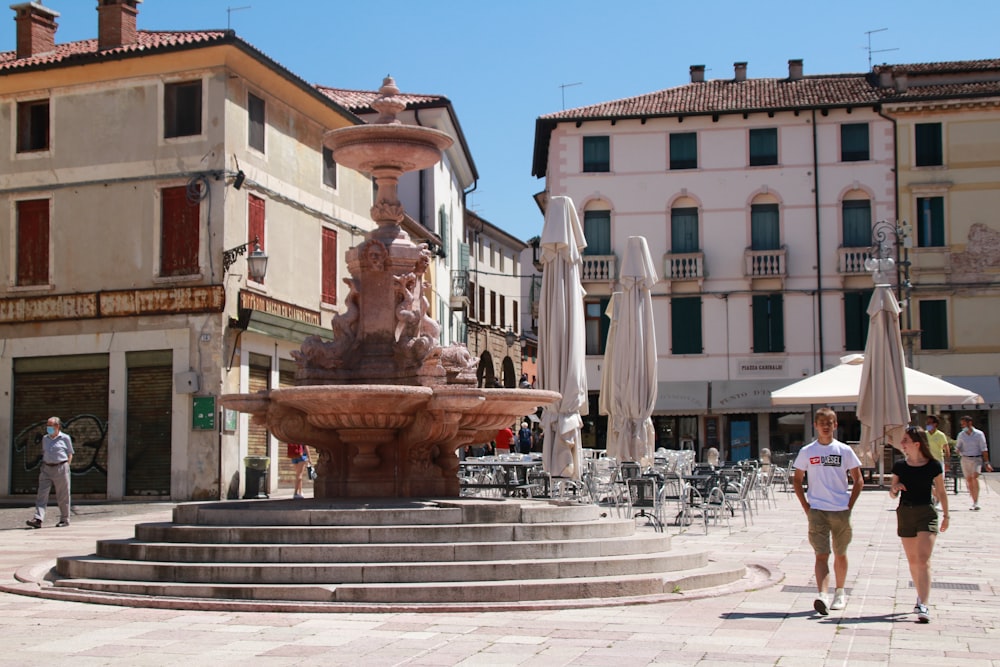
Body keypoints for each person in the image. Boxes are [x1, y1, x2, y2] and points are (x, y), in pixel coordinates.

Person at [792, 407, 864, 615]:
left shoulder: (844, 451)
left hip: (840, 510)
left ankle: (840, 593)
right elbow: (797, 480)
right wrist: (806, 507)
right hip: (817, 511)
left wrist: (849, 505)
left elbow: (858, 480)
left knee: (840, 553)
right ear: (815, 425)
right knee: (821, 554)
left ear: (835, 425)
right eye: (822, 422)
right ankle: (822, 595)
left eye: (829, 422)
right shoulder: (807, 451)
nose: (825, 425)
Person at [889, 425, 948, 623]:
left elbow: (941, 491)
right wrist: (895, 488)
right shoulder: (900, 466)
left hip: (926, 513)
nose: (902, 444)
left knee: (923, 559)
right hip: (905, 512)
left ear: (916, 444)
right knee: (913, 561)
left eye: (905, 440)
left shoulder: (933, 466)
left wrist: (946, 515)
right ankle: (919, 594)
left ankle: (923, 603)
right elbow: (892, 492)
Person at [26, 417, 75, 529]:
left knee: (63, 495)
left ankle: (64, 519)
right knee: (41, 494)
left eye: (50, 425)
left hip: (61, 467)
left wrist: (67, 466)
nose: (48, 428)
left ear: (57, 426)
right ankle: (38, 519)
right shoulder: (45, 438)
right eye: (47, 426)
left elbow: (70, 453)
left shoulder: (65, 438)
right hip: (46, 468)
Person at [954, 415, 992, 510]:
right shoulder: (961, 435)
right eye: (961, 425)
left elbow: (984, 449)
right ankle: (973, 501)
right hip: (965, 459)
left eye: (963, 424)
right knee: (969, 480)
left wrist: (987, 462)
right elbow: (958, 446)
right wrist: (957, 450)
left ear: (969, 423)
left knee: (974, 477)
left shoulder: (979, 434)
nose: (962, 426)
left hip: (976, 458)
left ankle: (977, 501)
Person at [924, 415, 951, 508]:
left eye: (929, 423)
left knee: (939, 483)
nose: (927, 425)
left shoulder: (940, 435)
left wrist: (947, 463)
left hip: (938, 461)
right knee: (926, 482)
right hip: (927, 461)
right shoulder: (925, 434)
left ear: (935, 424)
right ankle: (935, 497)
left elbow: (946, 449)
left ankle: (938, 501)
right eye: (927, 423)